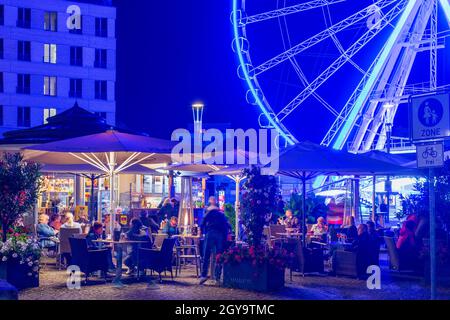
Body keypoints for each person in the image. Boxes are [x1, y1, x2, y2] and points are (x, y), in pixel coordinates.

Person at [199, 208, 229, 285]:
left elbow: (202, 223)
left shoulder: (208, 213)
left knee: (206, 254)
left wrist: (201, 232)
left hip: (210, 233)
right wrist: (225, 238)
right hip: (220, 235)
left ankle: (203, 275)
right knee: (219, 256)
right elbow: (227, 226)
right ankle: (217, 277)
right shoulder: (221, 215)